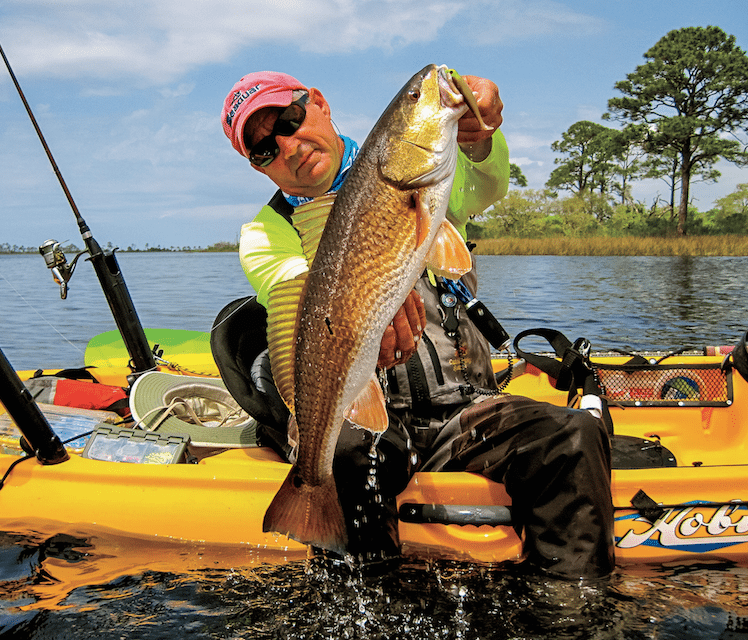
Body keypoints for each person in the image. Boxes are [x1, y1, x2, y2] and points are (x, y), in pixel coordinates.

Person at [216, 69, 614, 579]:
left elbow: (487, 180)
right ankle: (366, 597)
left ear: (318, 102)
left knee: (573, 433)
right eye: (265, 149)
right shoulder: (263, 232)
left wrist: (481, 131)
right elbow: (296, 296)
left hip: (465, 410)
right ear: (258, 167)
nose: (289, 146)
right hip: (370, 416)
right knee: (345, 449)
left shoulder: (429, 174)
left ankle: (570, 608)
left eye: (291, 120)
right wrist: (369, 306)